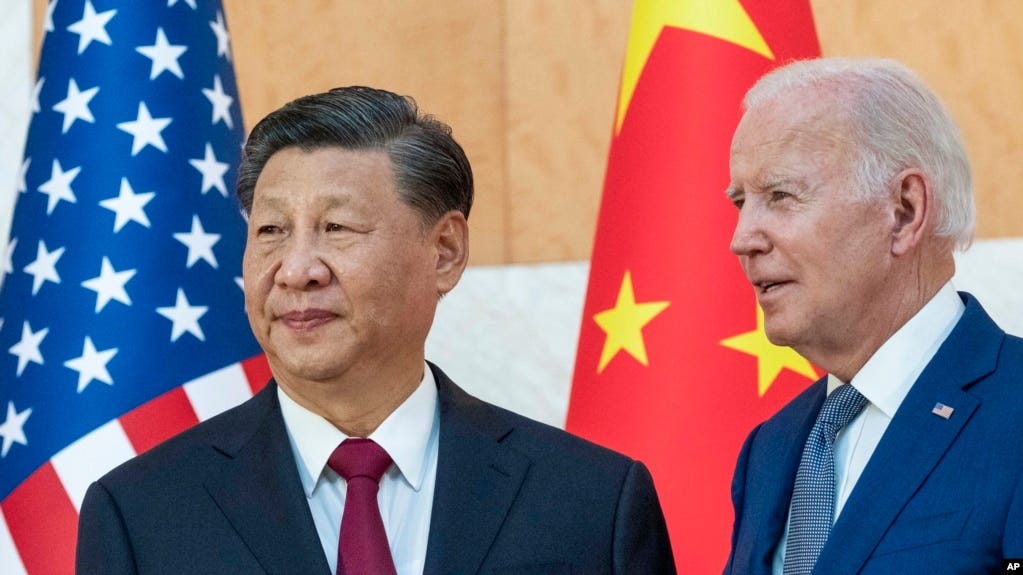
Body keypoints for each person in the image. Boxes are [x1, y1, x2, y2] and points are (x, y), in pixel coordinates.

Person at [75, 87, 676, 574]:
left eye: (336, 227)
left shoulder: (591, 500)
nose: (297, 270)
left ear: (444, 252)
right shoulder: (140, 514)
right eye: (271, 232)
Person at [722, 57, 1023, 574]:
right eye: (741, 202)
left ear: (904, 211)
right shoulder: (769, 450)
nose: (741, 239)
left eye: (781, 196)